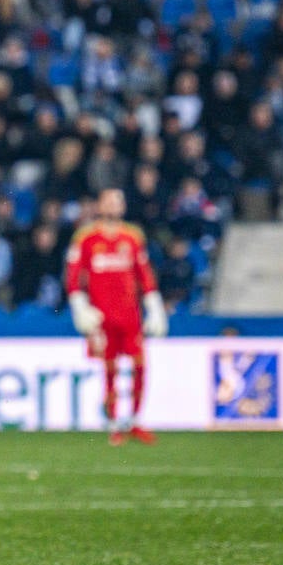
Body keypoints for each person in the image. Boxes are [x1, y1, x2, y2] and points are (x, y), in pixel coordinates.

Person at [64, 187, 169, 446]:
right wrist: (79, 305)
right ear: (100, 205)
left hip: (130, 315)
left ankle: (134, 420)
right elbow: (74, 274)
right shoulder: (86, 237)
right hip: (102, 317)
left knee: (139, 366)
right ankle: (113, 424)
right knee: (109, 368)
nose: (114, 205)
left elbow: (143, 272)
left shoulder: (132, 236)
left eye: (118, 201)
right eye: (109, 201)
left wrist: (154, 306)